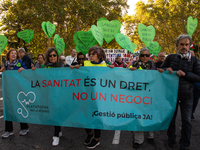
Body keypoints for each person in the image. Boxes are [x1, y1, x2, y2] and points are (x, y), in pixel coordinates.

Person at [158, 34, 200, 150]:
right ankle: (171, 139)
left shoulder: (194, 60)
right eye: (182, 44)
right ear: (177, 45)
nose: (184, 47)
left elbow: (199, 76)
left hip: (187, 96)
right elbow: (160, 71)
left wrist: (186, 74)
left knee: (187, 121)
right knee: (171, 119)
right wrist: (166, 70)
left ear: (189, 46)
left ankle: (184, 144)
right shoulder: (170, 57)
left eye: (186, 44)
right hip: (172, 95)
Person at [76, 46, 113, 149]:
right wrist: (74, 68)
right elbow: (75, 73)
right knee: (85, 117)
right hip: (86, 97)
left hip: (99, 98)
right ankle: (89, 133)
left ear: (99, 54)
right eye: (90, 54)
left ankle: (96, 139)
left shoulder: (106, 65)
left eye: (93, 54)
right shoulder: (85, 64)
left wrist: (113, 70)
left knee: (97, 118)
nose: (90, 56)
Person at [129, 47, 155, 148]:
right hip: (138, 96)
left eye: (147, 55)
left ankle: (150, 136)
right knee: (138, 116)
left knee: (149, 115)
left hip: (149, 95)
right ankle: (138, 139)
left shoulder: (153, 66)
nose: (145, 57)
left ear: (149, 56)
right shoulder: (134, 65)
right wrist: (130, 71)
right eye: (142, 55)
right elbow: (129, 78)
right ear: (139, 56)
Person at [0, 48, 29, 138]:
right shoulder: (6, 64)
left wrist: (22, 69)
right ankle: (9, 130)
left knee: (20, 106)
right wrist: (2, 71)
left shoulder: (20, 62)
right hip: (8, 89)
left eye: (15, 54)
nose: (13, 55)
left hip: (18, 89)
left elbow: (26, 70)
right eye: (12, 53)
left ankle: (24, 128)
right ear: (8, 55)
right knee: (8, 109)